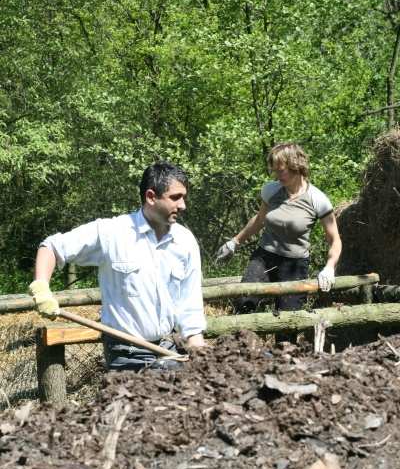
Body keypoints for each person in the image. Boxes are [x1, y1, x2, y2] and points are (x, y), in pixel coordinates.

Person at [29, 161, 207, 371]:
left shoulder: (184, 241)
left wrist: (198, 353)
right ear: (151, 197)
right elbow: (52, 247)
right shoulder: (112, 233)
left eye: (184, 197)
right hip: (125, 354)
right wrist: (41, 287)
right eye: (175, 197)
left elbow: (190, 305)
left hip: (167, 348)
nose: (183, 205)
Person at [215, 142, 342, 313]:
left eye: (280, 170)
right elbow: (259, 220)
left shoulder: (317, 200)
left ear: (296, 167)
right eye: (274, 170)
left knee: (288, 319)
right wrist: (235, 242)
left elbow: (335, 239)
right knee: (244, 302)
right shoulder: (271, 190)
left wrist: (329, 267)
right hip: (264, 257)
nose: (276, 175)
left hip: (294, 264)